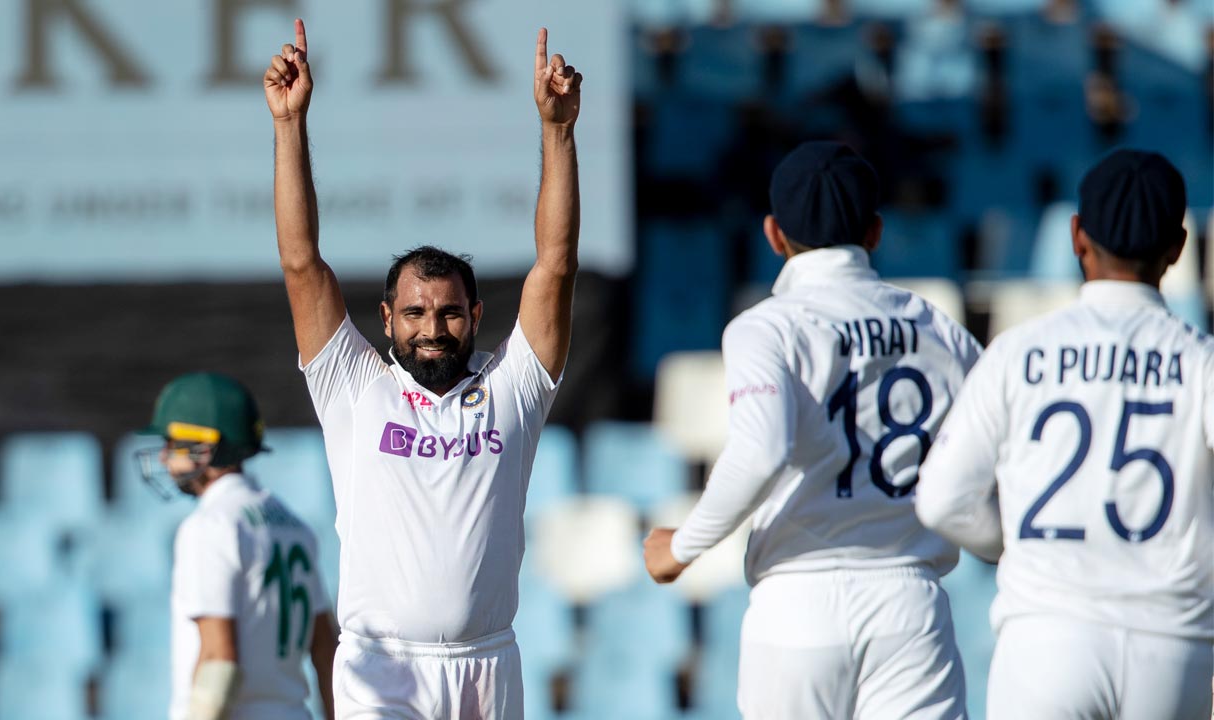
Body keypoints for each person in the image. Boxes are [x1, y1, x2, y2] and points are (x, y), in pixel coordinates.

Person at [263, 18, 581, 718]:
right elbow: (300, 263)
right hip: (381, 668)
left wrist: (557, 132)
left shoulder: (512, 390)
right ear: (385, 319)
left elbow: (555, 266)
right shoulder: (354, 388)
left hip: (486, 667)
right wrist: (289, 125)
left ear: (477, 315)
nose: (432, 330)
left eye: (449, 313)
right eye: (414, 313)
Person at [643, 141, 981, 719]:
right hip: (910, 602)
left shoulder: (765, 328)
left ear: (774, 235)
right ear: (875, 231)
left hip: (798, 604)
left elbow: (761, 451)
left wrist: (680, 547)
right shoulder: (936, 326)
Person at [915, 149, 1213, 720]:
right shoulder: (1201, 362)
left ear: (1078, 237)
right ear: (1177, 248)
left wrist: (1010, 543)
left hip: (1047, 640)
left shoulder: (1015, 353)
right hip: (1171, 645)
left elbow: (940, 500)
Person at [138, 372, 337, 720]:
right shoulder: (294, 526)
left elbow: (219, 663)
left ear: (205, 447)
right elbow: (325, 651)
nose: (164, 457)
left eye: (172, 443)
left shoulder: (210, 525)